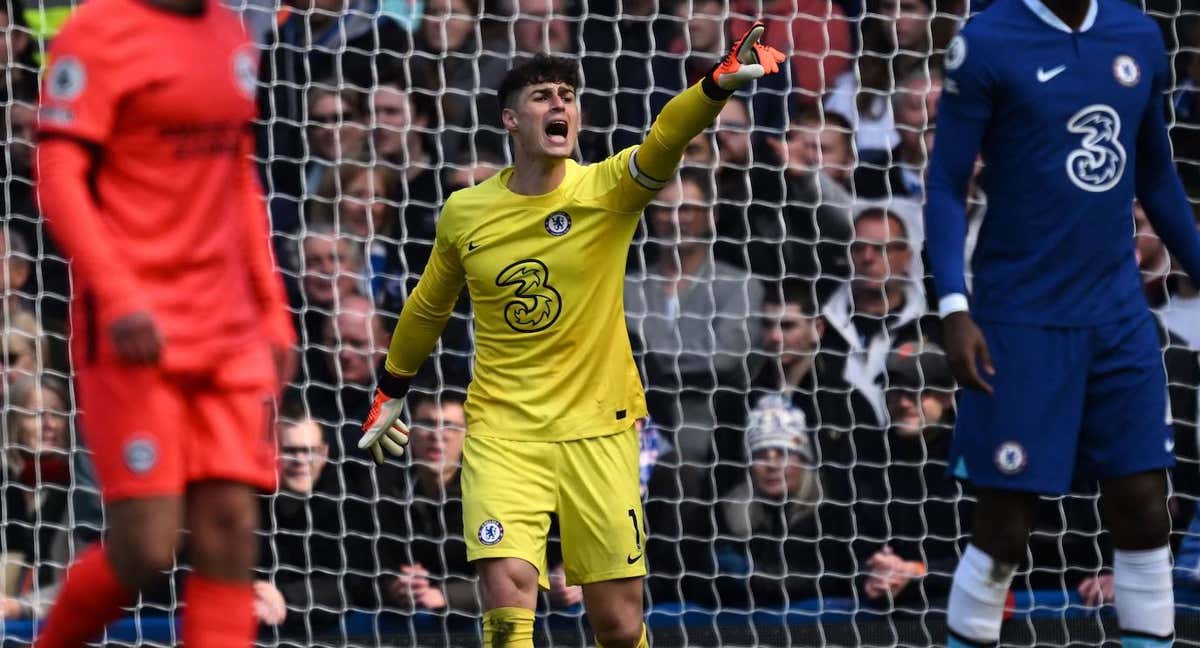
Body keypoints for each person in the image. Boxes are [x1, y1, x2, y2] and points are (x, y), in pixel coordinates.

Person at [358, 28, 786, 648]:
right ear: (510, 118)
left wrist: (713, 88)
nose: (560, 105)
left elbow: (665, 139)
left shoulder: (606, 190)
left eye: (568, 95)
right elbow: (428, 304)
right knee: (508, 599)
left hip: (601, 431)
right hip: (504, 433)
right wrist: (391, 389)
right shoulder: (465, 211)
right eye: (542, 96)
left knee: (616, 624)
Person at [924, 0, 1200, 644]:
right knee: (1005, 525)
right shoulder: (987, 42)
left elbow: (1156, 176)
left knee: (1145, 509)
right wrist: (954, 307)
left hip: (1117, 314)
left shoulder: (1138, 34)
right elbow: (945, 183)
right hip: (1019, 318)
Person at [33, 0, 296, 645]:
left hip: (229, 325)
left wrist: (272, 308)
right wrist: (119, 294)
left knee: (230, 529)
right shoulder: (96, 30)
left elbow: (238, 175)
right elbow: (59, 175)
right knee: (148, 548)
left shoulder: (228, 32)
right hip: (136, 328)